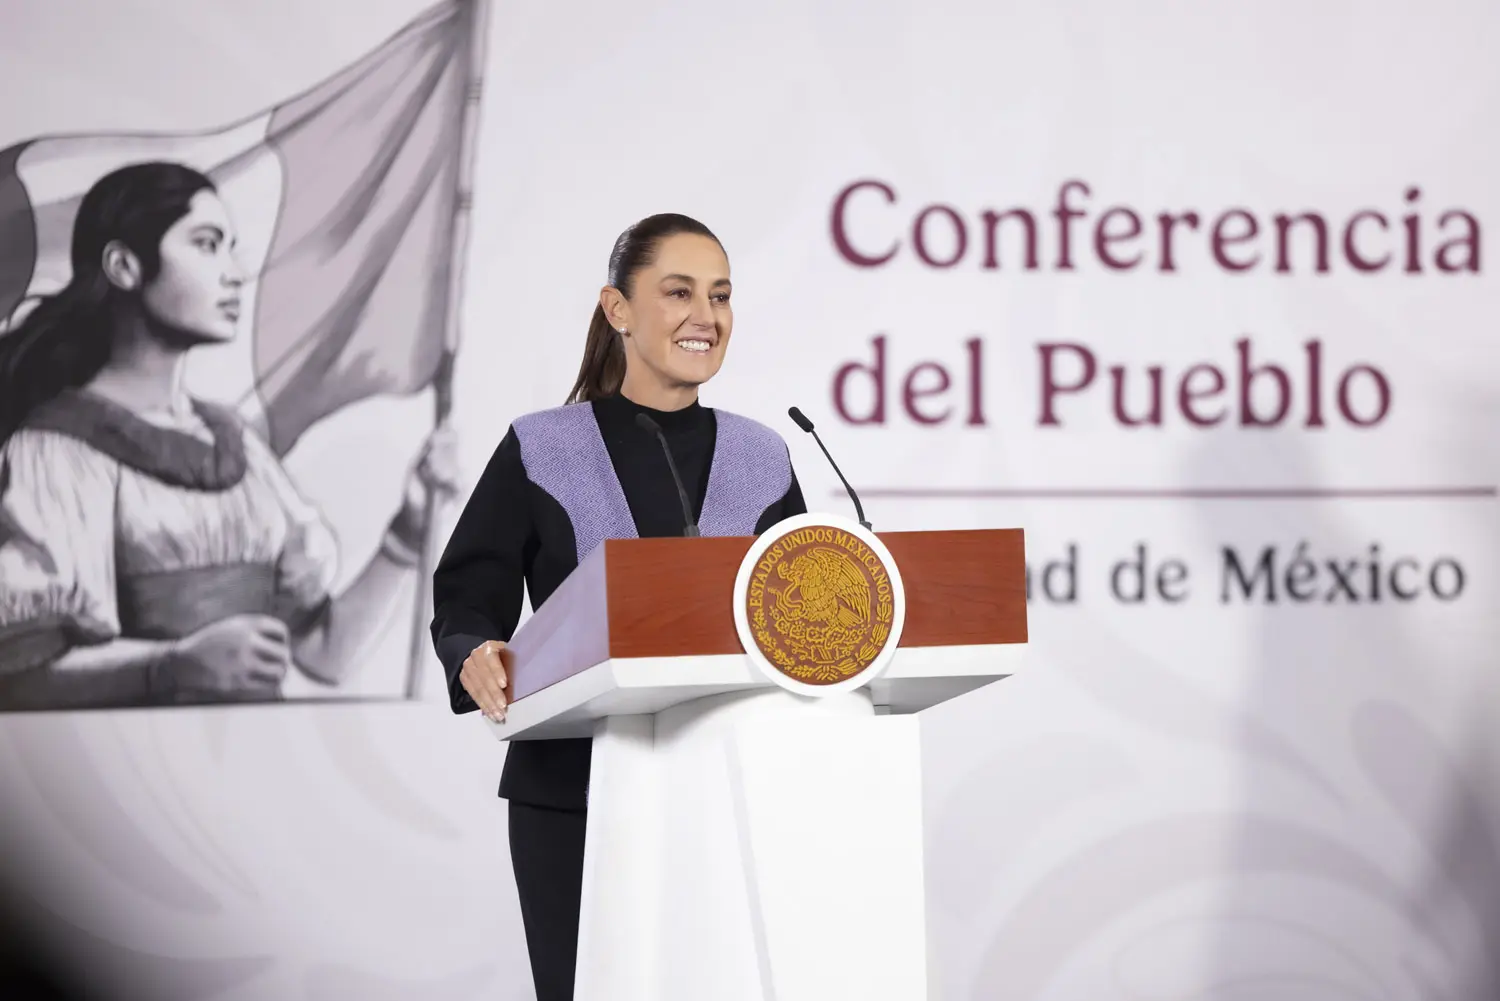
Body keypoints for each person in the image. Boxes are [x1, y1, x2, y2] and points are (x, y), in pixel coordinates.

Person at [429, 213, 807, 999]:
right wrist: (474, 650)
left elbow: (803, 613)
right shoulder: (543, 445)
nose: (706, 315)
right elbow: (470, 589)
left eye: (722, 295)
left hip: (729, 791)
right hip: (573, 792)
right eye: (678, 291)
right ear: (618, 309)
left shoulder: (764, 456)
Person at [0, 161, 458, 707]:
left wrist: (406, 533)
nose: (235, 272)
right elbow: (21, 677)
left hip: (250, 771)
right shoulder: (55, 450)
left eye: (231, 246)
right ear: (124, 266)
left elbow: (323, 654)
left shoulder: (235, 444)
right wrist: (171, 667)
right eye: (207, 244)